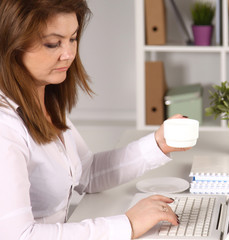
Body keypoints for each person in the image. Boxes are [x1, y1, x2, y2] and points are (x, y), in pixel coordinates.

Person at [0, 0, 186, 239]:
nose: (68, 54)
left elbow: (86, 174)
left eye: (73, 38)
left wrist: (158, 144)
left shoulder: (46, 100)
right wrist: (128, 224)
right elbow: (19, 236)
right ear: (11, 44)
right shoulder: (5, 128)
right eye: (53, 43)